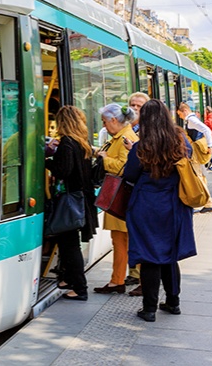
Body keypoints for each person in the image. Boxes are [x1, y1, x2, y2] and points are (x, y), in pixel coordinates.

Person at [123, 99, 197, 322]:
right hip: (175, 204)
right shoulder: (180, 140)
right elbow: (189, 160)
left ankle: (149, 308)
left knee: (149, 256)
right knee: (170, 255)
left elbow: (129, 176)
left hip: (147, 206)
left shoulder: (141, 146)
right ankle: (173, 303)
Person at [45, 106, 97, 301]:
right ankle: (67, 278)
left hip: (70, 201)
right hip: (81, 198)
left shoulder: (67, 143)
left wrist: (47, 160)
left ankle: (80, 288)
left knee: (69, 244)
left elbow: (63, 171)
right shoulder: (82, 142)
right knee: (66, 241)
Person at [93, 103, 138, 295]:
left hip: (120, 197)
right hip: (119, 197)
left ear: (113, 120)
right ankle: (116, 280)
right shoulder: (120, 137)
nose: (104, 126)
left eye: (105, 121)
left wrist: (104, 159)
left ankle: (117, 281)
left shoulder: (126, 138)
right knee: (120, 241)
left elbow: (123, 166)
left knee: (122, 242)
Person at [125, 92, 149, 292]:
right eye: (132, 104)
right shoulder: (129, 128)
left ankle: (142, 278)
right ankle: (134, 273)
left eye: (139, 106)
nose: (134, 108)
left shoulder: (146, 134)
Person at [176, 103, 212, 213]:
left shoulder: (192, 120)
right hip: (196, 152)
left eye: (180, 114)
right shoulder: (192, 119)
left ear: (184, 111)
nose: (180, 117)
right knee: (200, 176)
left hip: (195, 153)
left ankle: (207, 202)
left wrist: (210, 145)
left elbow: (207, 130)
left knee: (197, 175)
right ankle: (208, 202)